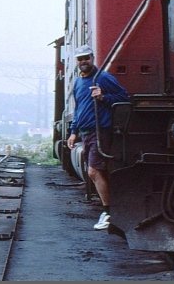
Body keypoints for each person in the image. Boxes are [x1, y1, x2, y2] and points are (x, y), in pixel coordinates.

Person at [66, 44, 129, 230]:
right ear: (76, 62)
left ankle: (108, 213)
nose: (83, 61)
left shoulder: (102, 77)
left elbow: (124, 97)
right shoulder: (78, 82)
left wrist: (104, 97)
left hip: (99, 130)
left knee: (93, 171)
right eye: (80, 59)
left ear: (92, 58)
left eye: (86, 57)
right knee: (94, 171)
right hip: (85, 132)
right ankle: (109, 210)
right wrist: (73, 132)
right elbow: (78, 110)